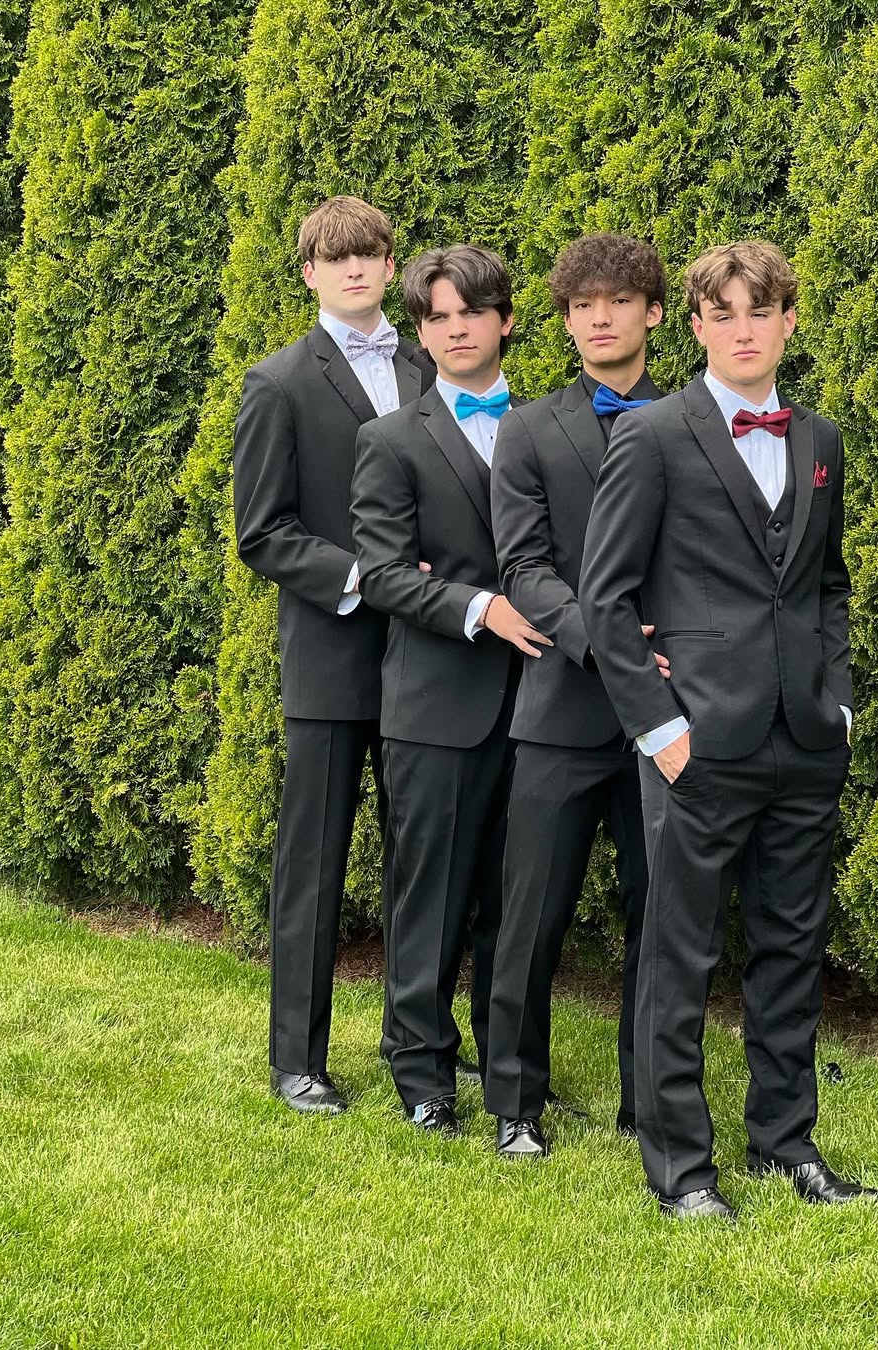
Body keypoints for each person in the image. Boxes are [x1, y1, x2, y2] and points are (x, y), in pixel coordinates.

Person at [579, 240, 878, 1219]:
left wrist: (838, 700)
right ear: (698, 326)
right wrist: (658, 729)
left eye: (762, 311)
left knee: (792, 949)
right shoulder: (654, 435)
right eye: (724, 314)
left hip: (805, 739)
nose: (744, 330)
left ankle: (787, 1144)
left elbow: (826, 585)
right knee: (680, 956)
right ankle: (681, 1170)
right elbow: (605, 598)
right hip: (697, 742)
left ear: (789, 321)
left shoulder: (821, 438)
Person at [233, 196, 434, 1115]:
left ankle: (418, 1047)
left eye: (369, 254)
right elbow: (263, 532)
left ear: (391, 266)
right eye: (335, 257)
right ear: (311, 273)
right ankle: (297, 1060)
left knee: (422, 859)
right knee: (312, 866)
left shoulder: (428, 364)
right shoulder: (278, 383)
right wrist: (371, 578)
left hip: (429, 658)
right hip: (332, 656)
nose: (355, 269)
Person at [351, 245, 548, 1135]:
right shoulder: (390, 441)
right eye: (437, 317)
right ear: (421, 335)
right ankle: (422, 1072)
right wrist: (480, 607)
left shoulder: (548, 427)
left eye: (472, 312)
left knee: (517, 904)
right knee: (428, 902)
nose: (456, 328)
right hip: (436, 706)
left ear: (504, 321)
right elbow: (385, 575)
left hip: (543, 704)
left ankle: (511, 1078)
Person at [485, 234, 670, 1158]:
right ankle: (515, 1104)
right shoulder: (525, 430)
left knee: (661, 917)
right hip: (561, 707)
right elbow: (523, 567)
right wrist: (613, 643)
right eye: (582, 304)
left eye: (619, 300)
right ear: (564, 320)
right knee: (531, 917)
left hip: (666, 716)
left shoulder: (692, 422)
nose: (600, 317)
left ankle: (651, 1101)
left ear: (654, 314)